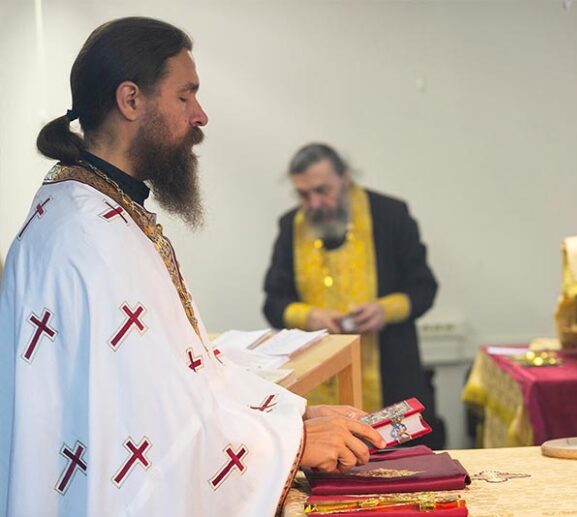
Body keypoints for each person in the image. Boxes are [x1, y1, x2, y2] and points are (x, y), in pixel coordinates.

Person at [0, 17, 384, 516]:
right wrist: (291, 445)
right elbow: (143, 428)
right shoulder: (87, 235)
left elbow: (183, 374)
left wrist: (293, 416)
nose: (200, 115)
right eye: (185, 96)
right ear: (131, 100)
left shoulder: (102, 209)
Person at [263, 143, 444, 448]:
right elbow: (273, 303)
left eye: (323, 190)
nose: (315, 203)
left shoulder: (390, 215)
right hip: (318, 378)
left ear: (345, 178)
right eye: (304, 195)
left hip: (391, 371)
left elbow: (424, 288)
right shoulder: (290, 225)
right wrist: (312, 316)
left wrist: (383, 311)